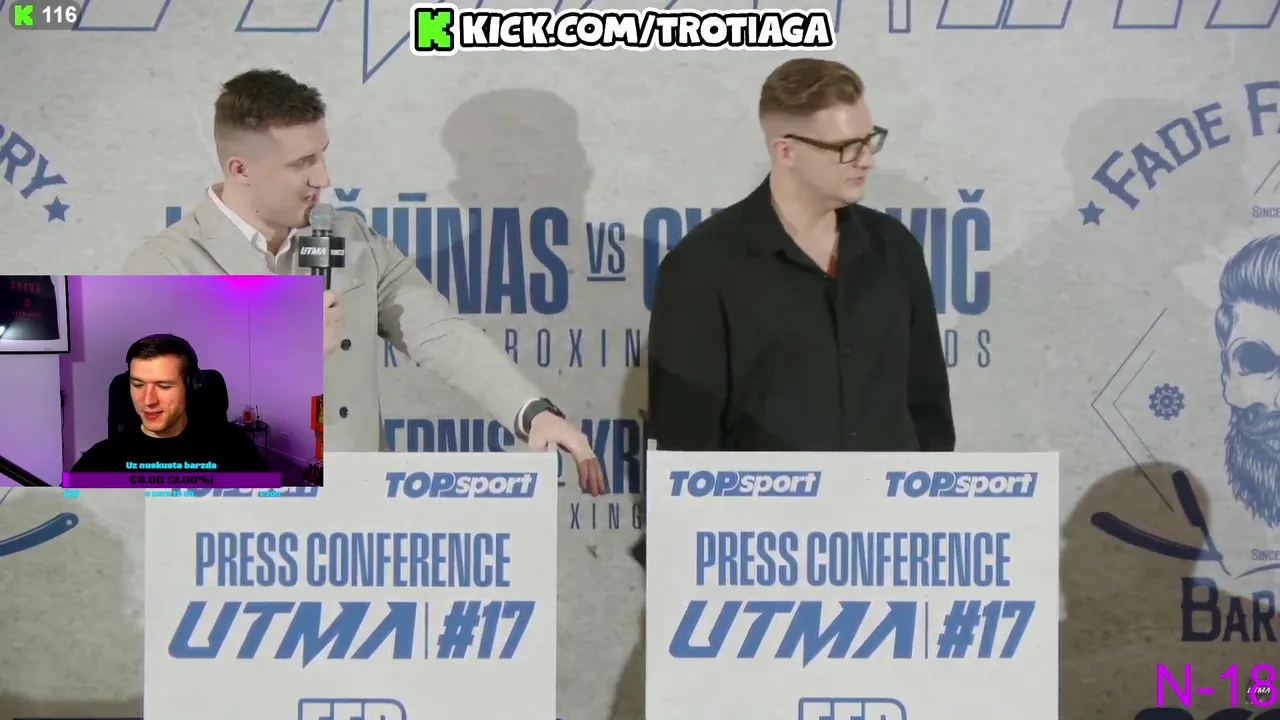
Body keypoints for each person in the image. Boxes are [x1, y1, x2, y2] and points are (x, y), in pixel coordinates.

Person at [119, 69, 604, 495]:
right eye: (301, 163)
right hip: (237, 537)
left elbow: (439, 331)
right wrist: (287, 358)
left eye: (321, 155)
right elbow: (154, 422)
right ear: (240, 169)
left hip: (362, 527)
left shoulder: (350, 238)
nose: (323, 178)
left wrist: (532, 410)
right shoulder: (166, 266)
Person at [638, 59, 956, 563]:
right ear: (785, 150)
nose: (867, 160)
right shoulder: (702, 267)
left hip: (892, 547)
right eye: (846, 147)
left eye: (869, 139)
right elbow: (688, 443)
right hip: (760, 557)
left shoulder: (896, 250)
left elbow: (928, 406)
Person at [71, 335, 267, 472]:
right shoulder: (102, 459)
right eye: (138, 385)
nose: (148, 401)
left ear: (191, 387)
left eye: (163, 386)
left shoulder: (235, 447)